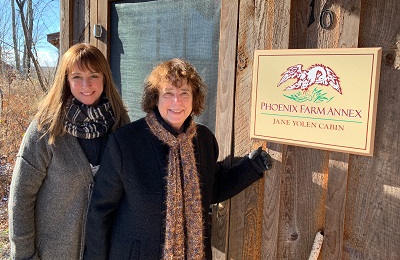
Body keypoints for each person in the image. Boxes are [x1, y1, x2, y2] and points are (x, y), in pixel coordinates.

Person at [83, 58, 272, 260]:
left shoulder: (204, 140)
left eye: (184, 93)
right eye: (168, 94)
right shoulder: (126, 142)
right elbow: (100, 211)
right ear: (156, 98)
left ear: (194, 99)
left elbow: (210, 188)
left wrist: (251, 167)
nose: (177, 101)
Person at [8, 43, 129, 260]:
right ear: (65, 80)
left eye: (94, 75)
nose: (86, 84)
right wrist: (25, 255)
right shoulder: (45, 128)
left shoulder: (120, 127)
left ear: (105, 78)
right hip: (51, 254)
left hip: (107, 252)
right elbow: (21, 197)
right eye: (76, 77)